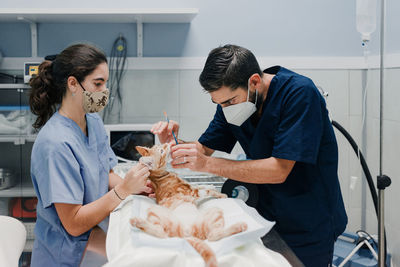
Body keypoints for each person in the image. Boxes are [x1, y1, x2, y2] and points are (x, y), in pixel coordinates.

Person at [151, 44, 348, 267]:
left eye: (229, 101)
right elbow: (202, 150)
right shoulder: (234, 103)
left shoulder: (299, 93)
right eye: (218, 103)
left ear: (254, 81)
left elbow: (279, 170)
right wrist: (175, 145)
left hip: (309, 221)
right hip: (264, 216)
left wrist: (207, 164)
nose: (225, 108)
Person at [29, 43, 152, 266]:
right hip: (64, 255)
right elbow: (73, 223)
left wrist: (137, 188)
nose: (105, 91)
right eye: (98, 83)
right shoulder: (55, 144)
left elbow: (100, 172)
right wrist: (124, 190)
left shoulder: (92, 121)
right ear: (73, 83)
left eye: (106, 83)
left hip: (92, 237)